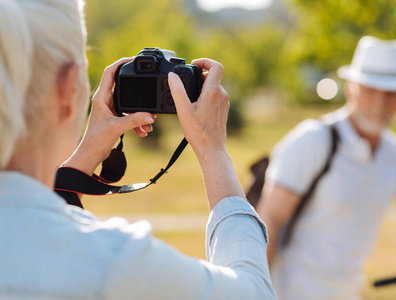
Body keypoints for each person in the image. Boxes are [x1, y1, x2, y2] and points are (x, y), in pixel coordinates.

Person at [0, 0, 276, 299]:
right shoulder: (112, 264)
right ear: (69, 89)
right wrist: (213, 152)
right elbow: (254, 293)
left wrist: (86, 156)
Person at [256, 36, 396, 300]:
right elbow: (268, 223)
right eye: (370, 89)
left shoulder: (395, 153)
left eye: (391, 93)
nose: (380, 104)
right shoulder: (313, 140)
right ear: (351, 88)